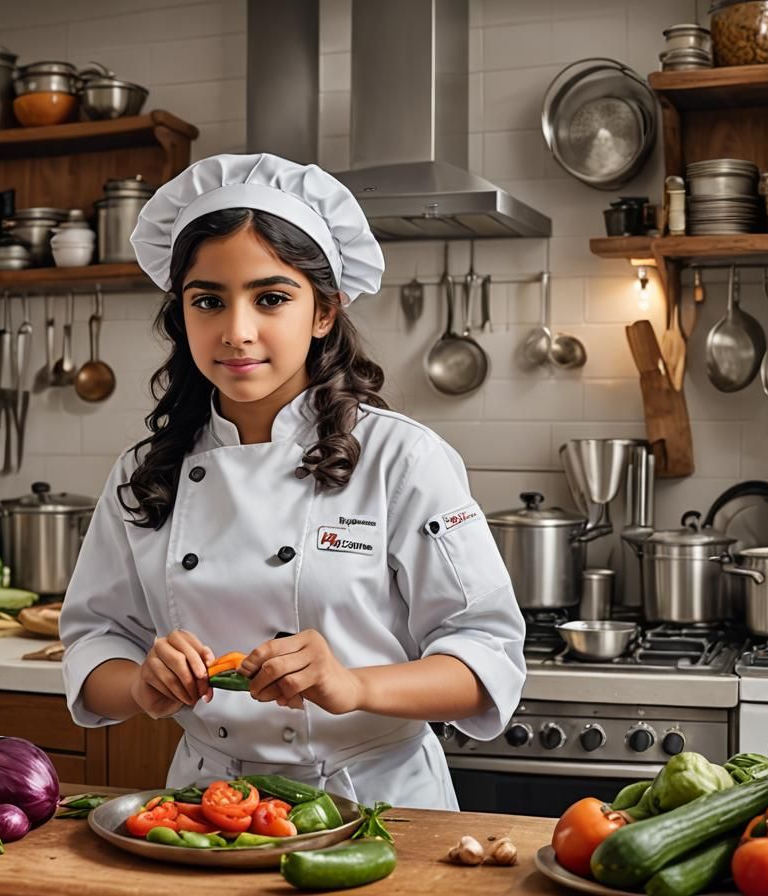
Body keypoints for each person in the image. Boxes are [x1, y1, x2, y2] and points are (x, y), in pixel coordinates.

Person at [58, 153, 525, 810]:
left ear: (324, 312)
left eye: (271, 297)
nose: (235, 332)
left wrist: (354, 686)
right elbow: (94, 641)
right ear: (182, 314)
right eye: (208, 301)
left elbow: (485, 660)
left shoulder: (401, 459)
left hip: (378, 806)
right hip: (207, 810)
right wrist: (140, 684)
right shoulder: (145, 470)